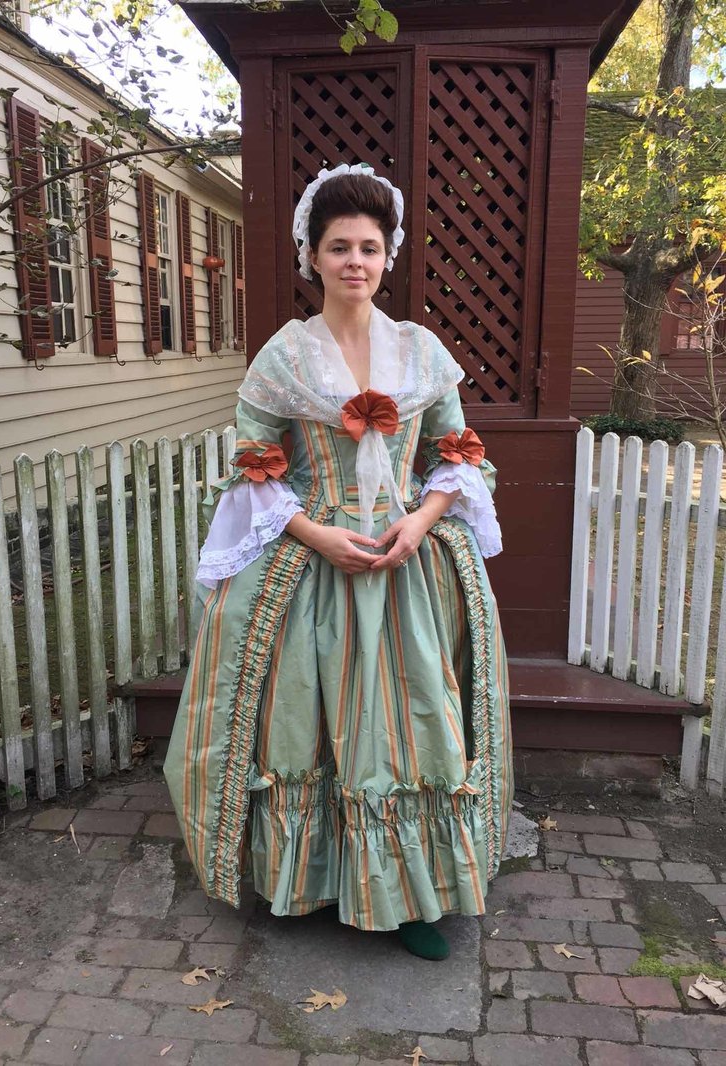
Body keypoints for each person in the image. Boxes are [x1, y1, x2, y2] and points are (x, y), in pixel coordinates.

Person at [164, 162, 512, 962]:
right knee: (303, 723)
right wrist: (317, 535)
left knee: (414, 723)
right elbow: (254, 464)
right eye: (339, 246)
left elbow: (460, 457)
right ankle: (306, 880)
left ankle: (411, 899)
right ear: (312, 257)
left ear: (388, 256)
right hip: (313, 564)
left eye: (369, 245)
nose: (356, 260)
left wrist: (422, 521)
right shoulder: (282, 359)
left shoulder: (422, 353)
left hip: (407, 565)